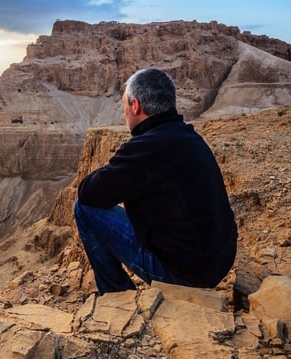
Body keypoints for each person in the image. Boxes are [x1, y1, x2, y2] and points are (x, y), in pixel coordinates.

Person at [74, 68, 237, 295]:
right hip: (215, 263)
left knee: (83, 208)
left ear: (136, 106)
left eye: (124, 106)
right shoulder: (187, 136)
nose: (124, 113)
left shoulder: (147, 148)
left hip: (184, 275)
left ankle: (115, 294)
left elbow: (88, 193)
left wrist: (118, 164)